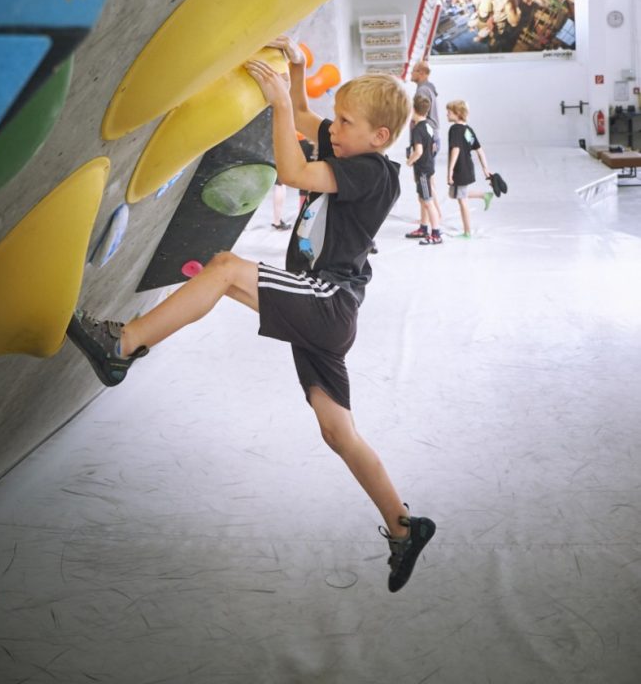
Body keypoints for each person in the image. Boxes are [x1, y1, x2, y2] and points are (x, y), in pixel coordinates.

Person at [67, 34, 436, 593]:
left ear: (379, 137)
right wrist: (296, 71)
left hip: (327, 300)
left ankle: (123, 345)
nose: (332, 128)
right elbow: (310, 117)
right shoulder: (346, 147)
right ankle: (404, 527)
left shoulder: (375, 173)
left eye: (345, 121)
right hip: (325, 308)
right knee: (338, 432)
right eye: (336, 120)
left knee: (225, 268)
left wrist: (281, 108)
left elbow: (291, 172)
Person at [405, 60, 442, 239]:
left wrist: (410, 159)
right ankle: (425, 223)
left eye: (413, 71)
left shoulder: (422, 91)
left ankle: (435, 221)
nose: (410, 73)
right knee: (425, 185)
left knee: (426, 184)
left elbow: (419, 151)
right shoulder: (429, 88)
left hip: (426, 142)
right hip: (430, 138)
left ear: (421, 72)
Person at [446, 99, 494, 238]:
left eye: (449, 112)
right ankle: (484, 195)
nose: (447, 115)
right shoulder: (468, 130)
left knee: (462, 200)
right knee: (454, 194)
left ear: (457, 113)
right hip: (468, 167)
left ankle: (467, 232)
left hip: (460, 169)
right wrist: (485, 169)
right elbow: (479, 150)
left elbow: (456, 149)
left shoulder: (454, 129)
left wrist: (450, 171)